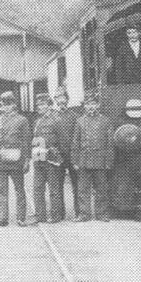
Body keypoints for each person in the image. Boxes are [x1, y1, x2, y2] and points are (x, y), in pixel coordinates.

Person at [0, 91, 31, 226]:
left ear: (14, 105)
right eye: (4, 104)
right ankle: (3, 218)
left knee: (19, 189)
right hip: (0, 161)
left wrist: (26, 160)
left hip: (17, 160)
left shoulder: (22, 120)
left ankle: (21, 218)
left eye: (9, 104)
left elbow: (26, 141)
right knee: (1, 190)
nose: (6, 107)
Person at [72, 93, 114, 221]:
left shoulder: (105, 121)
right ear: (85, 106)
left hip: (100, 159)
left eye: (94, 104)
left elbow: (110, 143)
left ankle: (101, 214)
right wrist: (74, 160)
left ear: (98, 105)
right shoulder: (79, 121)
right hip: (84, 160)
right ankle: (84, 214)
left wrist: (109, 161)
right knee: (83, 189)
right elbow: (75, 142)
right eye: (88, 104)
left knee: (101, 188)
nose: (91, 107)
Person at [30, 94, 66, 224]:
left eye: (43, 104)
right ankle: (40, 216)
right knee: (38, 188)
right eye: (38, 105)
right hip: (38, 157)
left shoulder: (56, 120)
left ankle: (55, 216)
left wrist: (59, 157)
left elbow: (63, 140)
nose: (40, 107)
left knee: (54, 189)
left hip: (51, 157)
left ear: (49, 105)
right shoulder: (37, 121)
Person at [50, 88, 79, 220]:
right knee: (57, 185)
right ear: (55, 101)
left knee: (77, 184)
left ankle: (80, 212)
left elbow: (78, 136)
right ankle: (59, 214)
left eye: (63, 98)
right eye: (57, 98)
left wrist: (75, 155)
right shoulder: (52, 116)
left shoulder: (74, 116)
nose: (61, 100)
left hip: (72, 155)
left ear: (67, 99)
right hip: (58, 156)